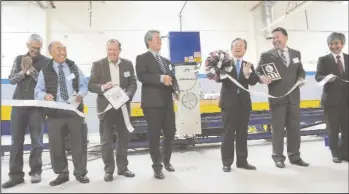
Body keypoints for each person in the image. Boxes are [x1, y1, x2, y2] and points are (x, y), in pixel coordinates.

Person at [34, 41, 90, 186]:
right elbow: (37, 91)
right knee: (56, 146)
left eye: (64, 49)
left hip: (74, 111)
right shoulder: (45, 70)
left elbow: (84, 85)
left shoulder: (73, 67)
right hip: (54, 113)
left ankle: (80, 172)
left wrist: (81, 94)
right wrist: (44, 96)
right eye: (59, 49)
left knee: (79, 143)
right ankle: (62, 173)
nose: (63, 52)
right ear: (50, 52)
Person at [2, 34, 50, 189]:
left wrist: (32, 70)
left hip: (36, 107)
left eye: (37, 48)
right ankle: (15, 176)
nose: (35, 50)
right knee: (16, 142)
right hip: (18, 106)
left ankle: (35, 172)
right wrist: (23, 72)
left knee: (37, 142)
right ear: (27, 45)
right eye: (32, 47)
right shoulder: (18, 59)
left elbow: (45, 83)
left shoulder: (46, 62)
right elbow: (11, 80)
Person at [256, 27, 309, 168]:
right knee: (278, 129)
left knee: (294, 128)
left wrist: (302, 78)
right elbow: (257, 71)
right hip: (277, 97)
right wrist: (261, 78)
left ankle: (295, 155)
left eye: (277, 37)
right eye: (273, 38)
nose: (275, 40)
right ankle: (278, 157)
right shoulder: (266, 55)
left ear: (286, 38)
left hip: (294, 97)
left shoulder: (296, 54)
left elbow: (301, 70)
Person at [88, 39, 137, 182]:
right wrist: (103, 87)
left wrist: (127, 95)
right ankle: (109, 170)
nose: (111, 52)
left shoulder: (128, 64)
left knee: (123, 139)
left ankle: (122, 168)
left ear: (119, 50)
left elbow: (133, 82)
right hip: (106, 108)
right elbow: (91, 85)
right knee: (106, 141)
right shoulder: (98, 65)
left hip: (123, 107)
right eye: (109, 50)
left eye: (114, 50)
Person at [135, 30, 180, 179]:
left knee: (170, 132)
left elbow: (172, 78)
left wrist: (176, 90)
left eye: (160, 38)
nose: (160, 40)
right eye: (157, 38)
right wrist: (161, 78)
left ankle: (166, 161)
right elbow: (142, 76)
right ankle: (157, 167)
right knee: (154, 136)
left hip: (167, 102)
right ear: (148, 41)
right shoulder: (142, 58)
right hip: (152, 104)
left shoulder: (166, 61)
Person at [219, 38, 258, 172]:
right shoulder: (224, 63)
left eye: (241, 46)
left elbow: (253, 81)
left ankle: (242, 161)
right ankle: (227, 162)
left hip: (243, 104)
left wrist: (247, 75)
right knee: (228, 134)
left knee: (242, 133)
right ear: (231, 48)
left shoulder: (249, 65)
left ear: (245, 50)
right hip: (228, 104)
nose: (238, 47)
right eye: (236, 45)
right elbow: (217, 78)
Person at [315, 32, 348, 163]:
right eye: (331, 44)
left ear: (342, 44)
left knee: (347, 129)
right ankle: (335, 154)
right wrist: (326, 78)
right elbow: (318, 76)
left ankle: (345, 153)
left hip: (347, 101)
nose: (333, 46)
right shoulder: (323, 60)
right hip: (331, 101)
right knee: (333, 129)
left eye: (336, 43)